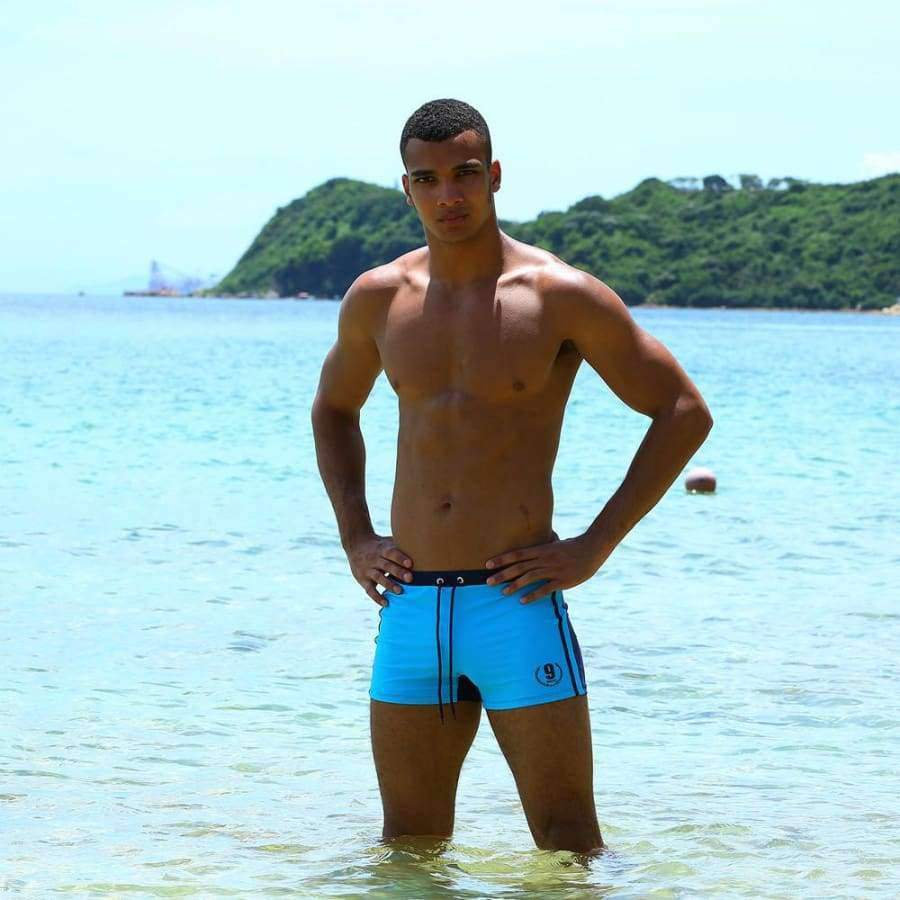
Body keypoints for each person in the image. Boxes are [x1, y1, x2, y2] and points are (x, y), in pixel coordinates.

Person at [311, 98, 713, 855]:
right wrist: (356, 538)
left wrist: (594, 546)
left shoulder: (558, 295)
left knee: (569, 846)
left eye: (464, 174)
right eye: (428, 180)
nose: (448, 195)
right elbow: (334, 410)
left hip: (516, 604)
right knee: (408, 849)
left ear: (494, 175)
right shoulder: (379, 298)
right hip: (411, 606)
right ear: (407, 189)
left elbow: (683, 410)